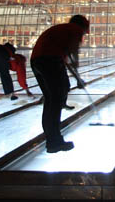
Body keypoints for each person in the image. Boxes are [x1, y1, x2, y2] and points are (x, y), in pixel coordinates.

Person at [30, 15, 90, 153]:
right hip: (50, 60)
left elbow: (64, 54)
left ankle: (51, 139)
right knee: (55, 101)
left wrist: (76, 76)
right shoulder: (75, 29)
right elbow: (73, 51)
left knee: (50, 101)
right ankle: (55, 142)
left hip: (37, 61)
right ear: (82, 25)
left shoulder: (61, 29)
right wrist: (77, 70)